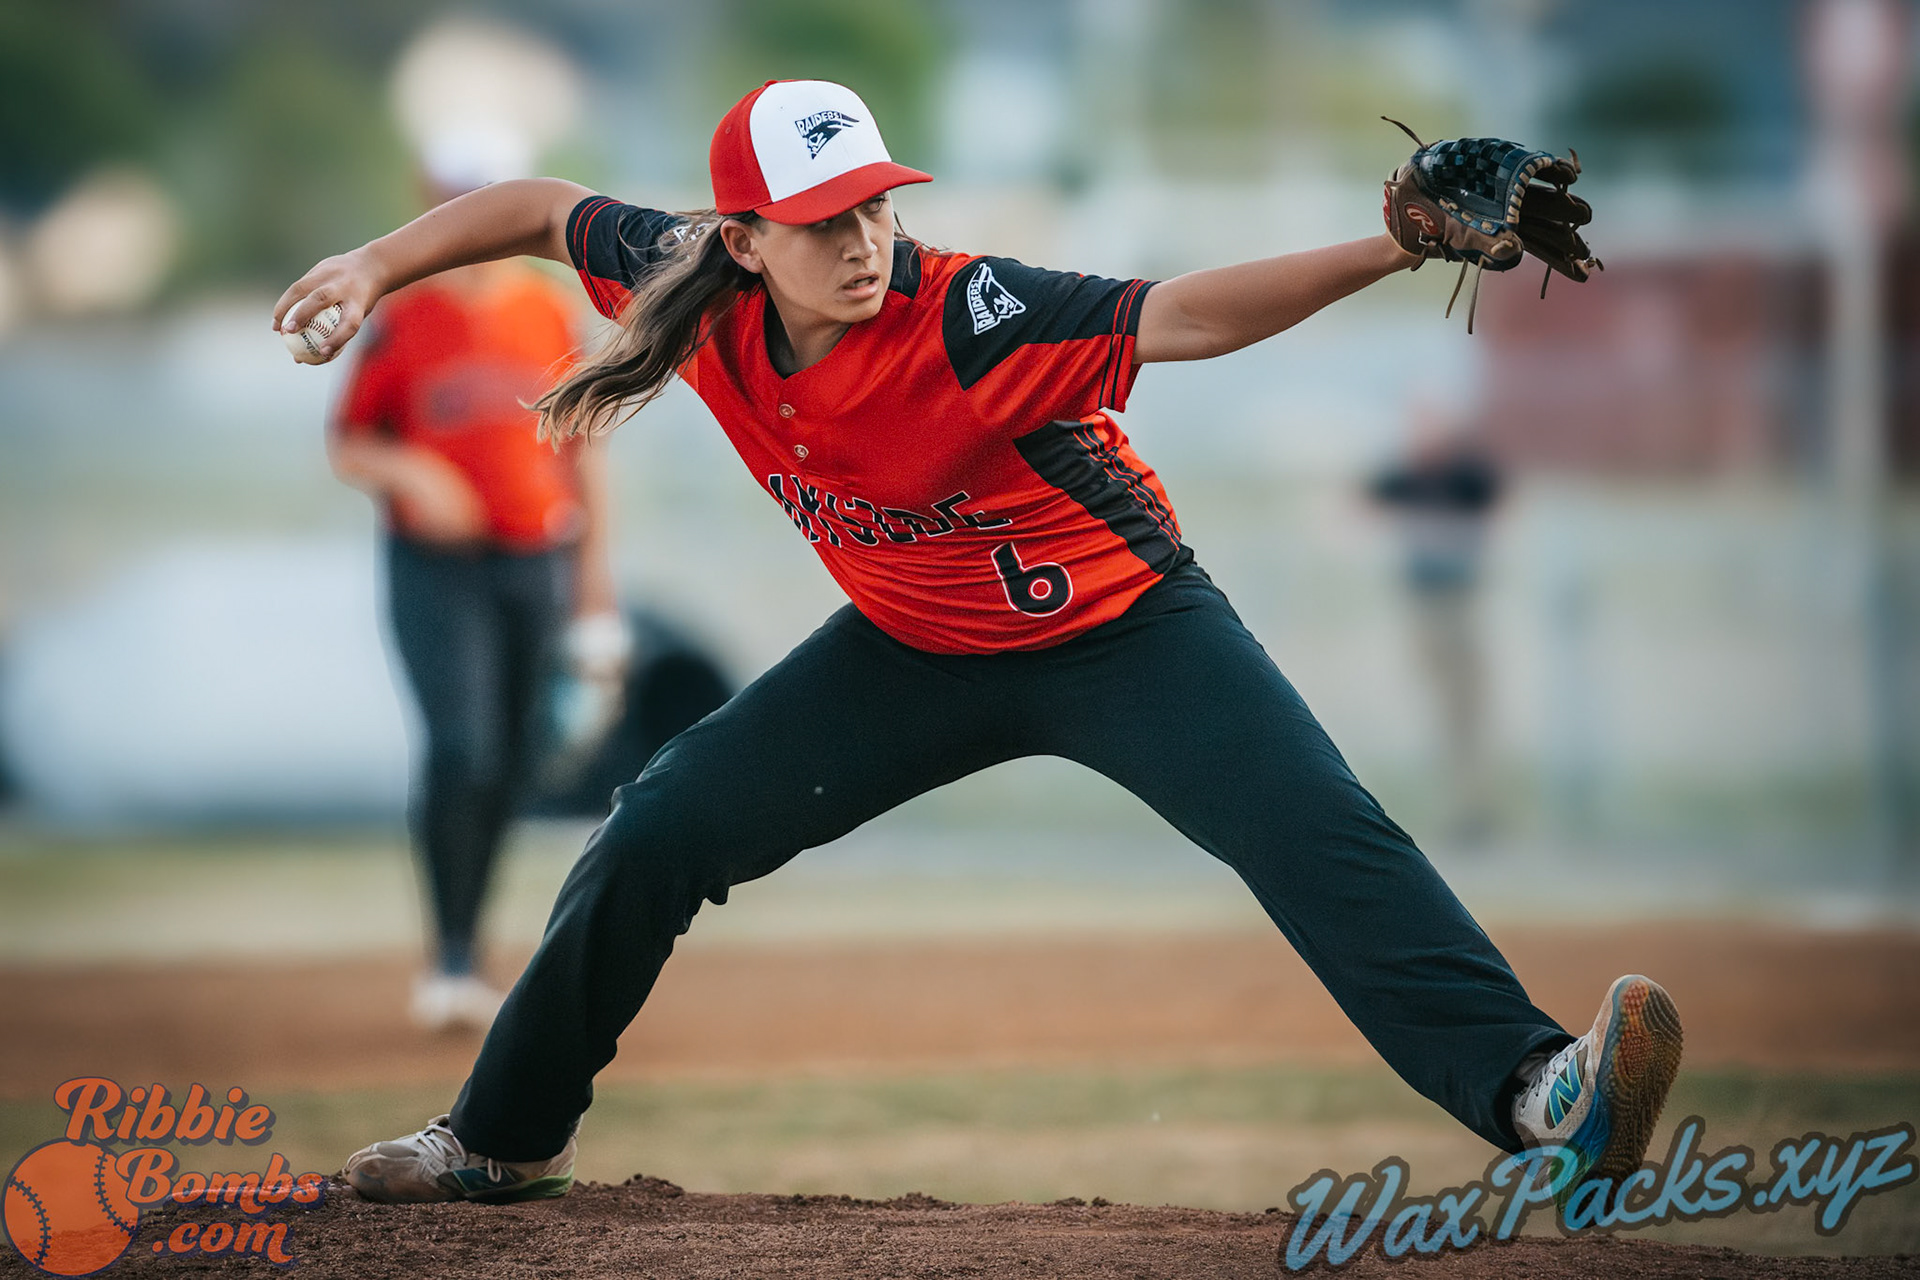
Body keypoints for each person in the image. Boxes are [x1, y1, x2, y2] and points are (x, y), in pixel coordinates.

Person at [276, 80, 1681, 1210]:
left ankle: (1540, 1094)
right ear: (744, 239)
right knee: (657, 826)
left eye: (875, 205)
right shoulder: (691, 284)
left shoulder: (966, 312)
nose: (863, 239)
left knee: (1321, 835)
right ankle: (500, 1143)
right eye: (823, 219)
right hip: (909, 648)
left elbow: (1182, 314)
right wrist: (374, 264)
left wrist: (1399, 240)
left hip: (1125, 629)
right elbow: (535, 207)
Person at [325, 137, 630, 1032]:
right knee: (460, 745)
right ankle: (450, 954)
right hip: (436, 567)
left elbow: (585, 457)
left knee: (509, 757)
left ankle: (469, 947)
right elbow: (349, 442)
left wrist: (596, 587)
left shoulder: (546, 313)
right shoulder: (402, 316)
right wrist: (413, 475)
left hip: (534, 559)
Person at [1368, 414, 1506, 845]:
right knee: (1432, 709)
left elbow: (1503, 516)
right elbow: (1355, 511)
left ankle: (1471, 812)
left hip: (1459, 607)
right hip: (1420, 610)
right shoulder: (1404, 476)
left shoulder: (1467, 476)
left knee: (1464, 712)